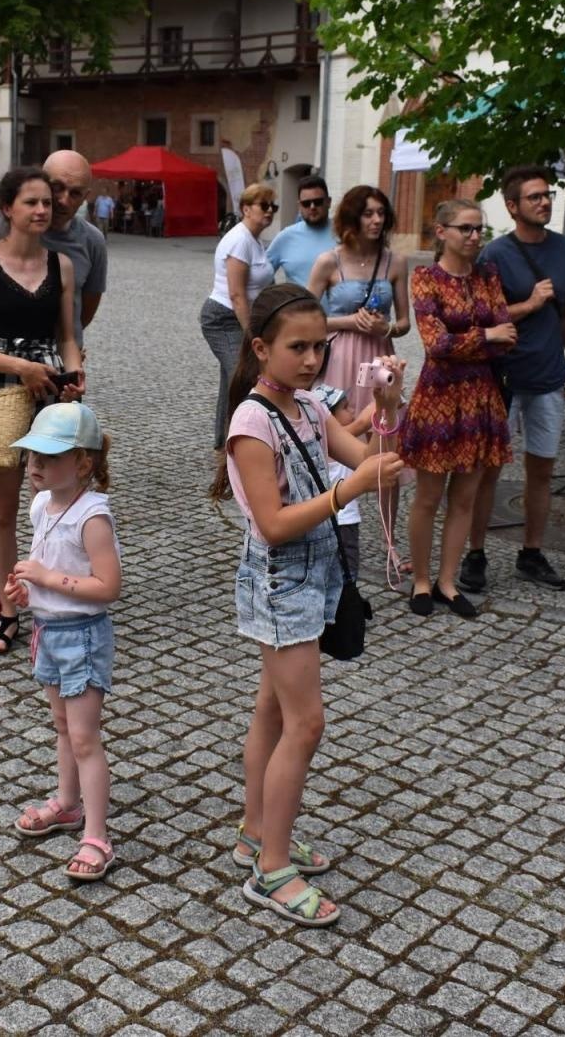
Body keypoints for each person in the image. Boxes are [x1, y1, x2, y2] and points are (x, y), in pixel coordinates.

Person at [209, 283, 405, 927]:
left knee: (273, 708)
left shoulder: (310, 409)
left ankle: (255, 834)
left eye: (321, 347)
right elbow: (270, 523)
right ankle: (271, 869)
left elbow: (378, 459)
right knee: (306, 722)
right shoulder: (251, 421)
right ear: (261, 348)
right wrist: (349, 488)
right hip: (280, 581)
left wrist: (387, 403)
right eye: (298, 348)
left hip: (316, 574)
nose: (313, 360)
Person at [0, 167, 86, 649]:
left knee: (59, 496)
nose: (41, 211)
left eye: (47, 203)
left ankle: (55, 597)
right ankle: (7, 606)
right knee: (3, 506)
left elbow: (67, 336)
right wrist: (20, 366)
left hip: (49, 390)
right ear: (6, 209)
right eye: (31, 202)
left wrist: (73, 375)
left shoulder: (62, 266)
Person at [4, 402, 122, 881]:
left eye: (48, 457)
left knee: (84, 738)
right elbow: (48, 578)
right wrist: (27, 593)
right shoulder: (41, 504)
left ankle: (97, 835)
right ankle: (68, 803)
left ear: (83, 463)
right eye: (32, 454)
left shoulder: (92, 516)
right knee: (61, 726)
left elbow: (108, 587)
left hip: (83, 638)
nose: (34, 465)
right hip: (48, 632)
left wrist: (48, 580)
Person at [465, 165, 565, 594]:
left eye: (547, 195)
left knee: (543, 470)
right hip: (506, 376)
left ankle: (531, 553)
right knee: (488, 471)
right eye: (534, 197)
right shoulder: (495, 254)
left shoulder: (562, 248)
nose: (545, 202)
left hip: (549, 375)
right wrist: (530, 303)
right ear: (513, 206)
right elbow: (483, 316)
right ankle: (475, 553)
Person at [400, 199, 516, 618]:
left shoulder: (489, 276)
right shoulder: (426, 278)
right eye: (465, 228)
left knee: (465, 498)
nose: (474, 236)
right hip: (438, 399)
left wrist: (475, 339)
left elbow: (509, 336)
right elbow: (436, 344)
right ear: (441, 231)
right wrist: (486, 335)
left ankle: (448, 582)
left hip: (480, 398)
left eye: (478, 229)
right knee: (429, 497)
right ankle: (422, 581)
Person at [0, 150, 108, 356]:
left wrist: (65, 349)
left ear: (86, 197)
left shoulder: (92, 241)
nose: (64, 200)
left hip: (58, 366)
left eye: (75, 193)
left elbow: (86, 307)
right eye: (57, 188)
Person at [307, 185, 410, 413]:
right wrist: (349, 322)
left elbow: (404, 323)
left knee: (380, 421)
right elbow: (304, 319)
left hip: (380, 353)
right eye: (368, 214)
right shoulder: (328, 261)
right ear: (352, 218)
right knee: (341, 420)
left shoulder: (396, 262)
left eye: (381, 213)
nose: (377, 220)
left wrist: (386, 328)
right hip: (339, 356)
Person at [201, 183, 278, 449]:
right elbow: (237, 295)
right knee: (243, 376)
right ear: (246, 208)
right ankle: (242, 442)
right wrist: (252, 335)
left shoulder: (255, 240)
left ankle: (225, 442)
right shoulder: (239, 240)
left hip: (240, 316)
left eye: (273, 206)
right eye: (263, 206)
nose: (269, 211)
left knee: (232, 378)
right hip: (223, 318)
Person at [312, 385, 372, 579]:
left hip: (337, 522)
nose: (351, 411)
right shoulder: (327, 442)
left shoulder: (322, 443)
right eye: (345, 408)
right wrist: (382, 406)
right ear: (329, 419)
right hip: (343, 523)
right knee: (347, 575)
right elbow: (361, 424)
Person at [266, 176, 335, 287]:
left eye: (317, 202)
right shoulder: (286, 237)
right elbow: (260, 277)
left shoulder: (345, 234)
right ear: (299, 206)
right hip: (299, 304)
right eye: (306, 203)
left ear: (328, 202)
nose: (312, 207)